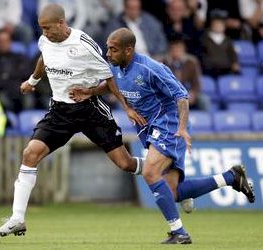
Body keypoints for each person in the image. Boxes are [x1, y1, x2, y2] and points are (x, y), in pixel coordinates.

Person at [69, 28, 255, 244]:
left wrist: (183, 128)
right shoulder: (116, 66)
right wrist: (89, 91)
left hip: (169, 124)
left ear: (129, 50)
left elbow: (182, 96)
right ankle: (231, 177)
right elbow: (111, 85)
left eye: (113, 49)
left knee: (150, 173)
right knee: (172, 192)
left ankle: (179, 232)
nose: (108, 54)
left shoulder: (151, 68)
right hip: (148, 129)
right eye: (108, 48)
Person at [0, 3, 148, 237]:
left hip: (90, 111)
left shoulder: (84, 45)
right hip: (60, 112)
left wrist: (125, 107)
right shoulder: (45, 40)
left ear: (61, 23)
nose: (44, 33)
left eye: (47, 28)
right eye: (41, 28)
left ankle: (158, 169)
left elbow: (110, 77)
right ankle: (17, 219)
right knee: (30, 154)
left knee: (125, 164)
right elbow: (44, 59)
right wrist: (32, 81)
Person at [0, 29, 33, 113]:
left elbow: (27, 73)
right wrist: (17, 75)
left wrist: (6, 75)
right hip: (3, 92)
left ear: (10, 42)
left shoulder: (20, 57)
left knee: (29, 98)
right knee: (1, 98)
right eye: (1, 41)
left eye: (6, 41)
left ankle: (24, 120)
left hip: (20, 91)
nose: (3, 44)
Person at [162, 37, 210, 111]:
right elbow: (162, 83)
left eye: (179, 50)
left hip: (188, 91)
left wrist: (193, 94)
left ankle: (207, 121)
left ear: (183, 51)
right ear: (170, 51)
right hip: (171, 94)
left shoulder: (191, 62)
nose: (177, 52)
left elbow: (197, 83)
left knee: (204, 100)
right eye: (174, 50)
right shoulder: (164, 63)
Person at [200, 9, 241, 78]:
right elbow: (202, 55)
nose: (218, 26)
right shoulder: (205, 39)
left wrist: (235, 64)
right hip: (210, 70)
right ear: (211, 25)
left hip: (226, 70)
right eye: (216, 24)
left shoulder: (228, 41)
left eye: (220, 24)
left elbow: (232, 55)